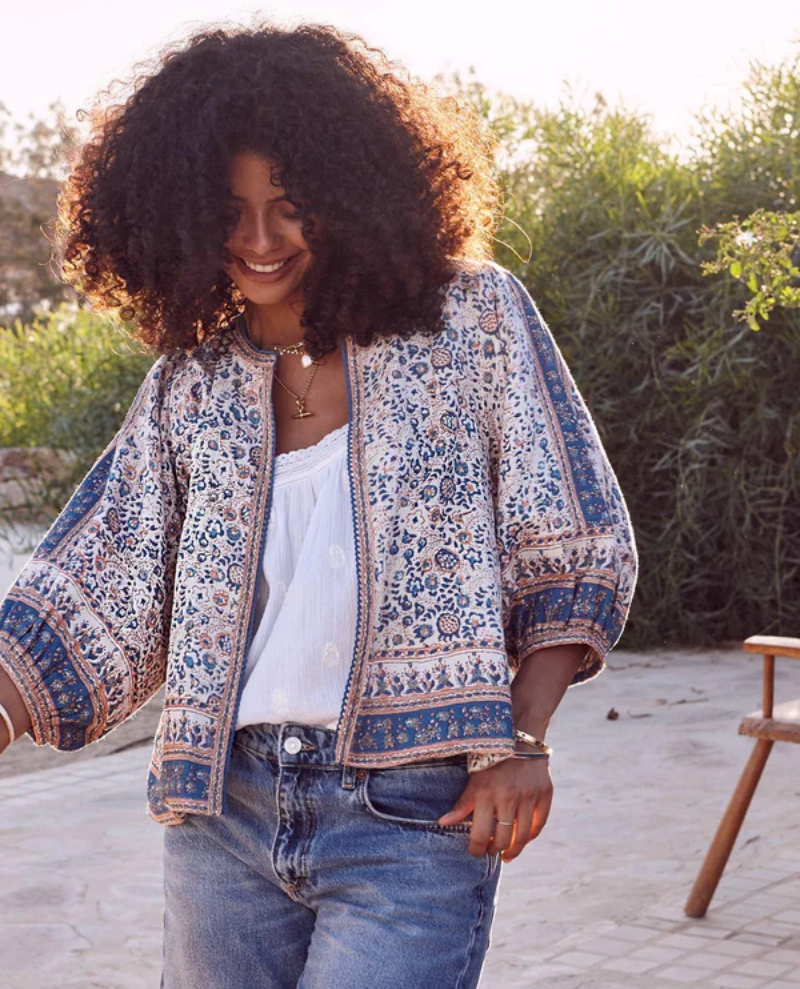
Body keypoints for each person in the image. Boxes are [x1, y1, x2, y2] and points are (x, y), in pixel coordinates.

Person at [0, 19, 638, 989]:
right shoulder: (193, 381)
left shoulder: (471, 320)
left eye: (290, 208)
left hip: (411, 814)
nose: (259, 241)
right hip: (223, 814)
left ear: (351, 195)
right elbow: (99, 575)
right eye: (230, 212)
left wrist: (521, 739)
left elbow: (572, 541)